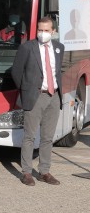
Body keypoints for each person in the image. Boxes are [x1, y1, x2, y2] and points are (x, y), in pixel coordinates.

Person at [11, 17, 63, 186]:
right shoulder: (27, 47)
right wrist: (26, 90)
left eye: (46, 30)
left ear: (53, 31)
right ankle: (26, 172)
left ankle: (44, 171)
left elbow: (58, 71)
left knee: (48, 137)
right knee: (29, 136)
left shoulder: (59, 48)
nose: (43, 33)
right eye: (40, 30)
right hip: (35, 96)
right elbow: (16, 72)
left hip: (54, 96)